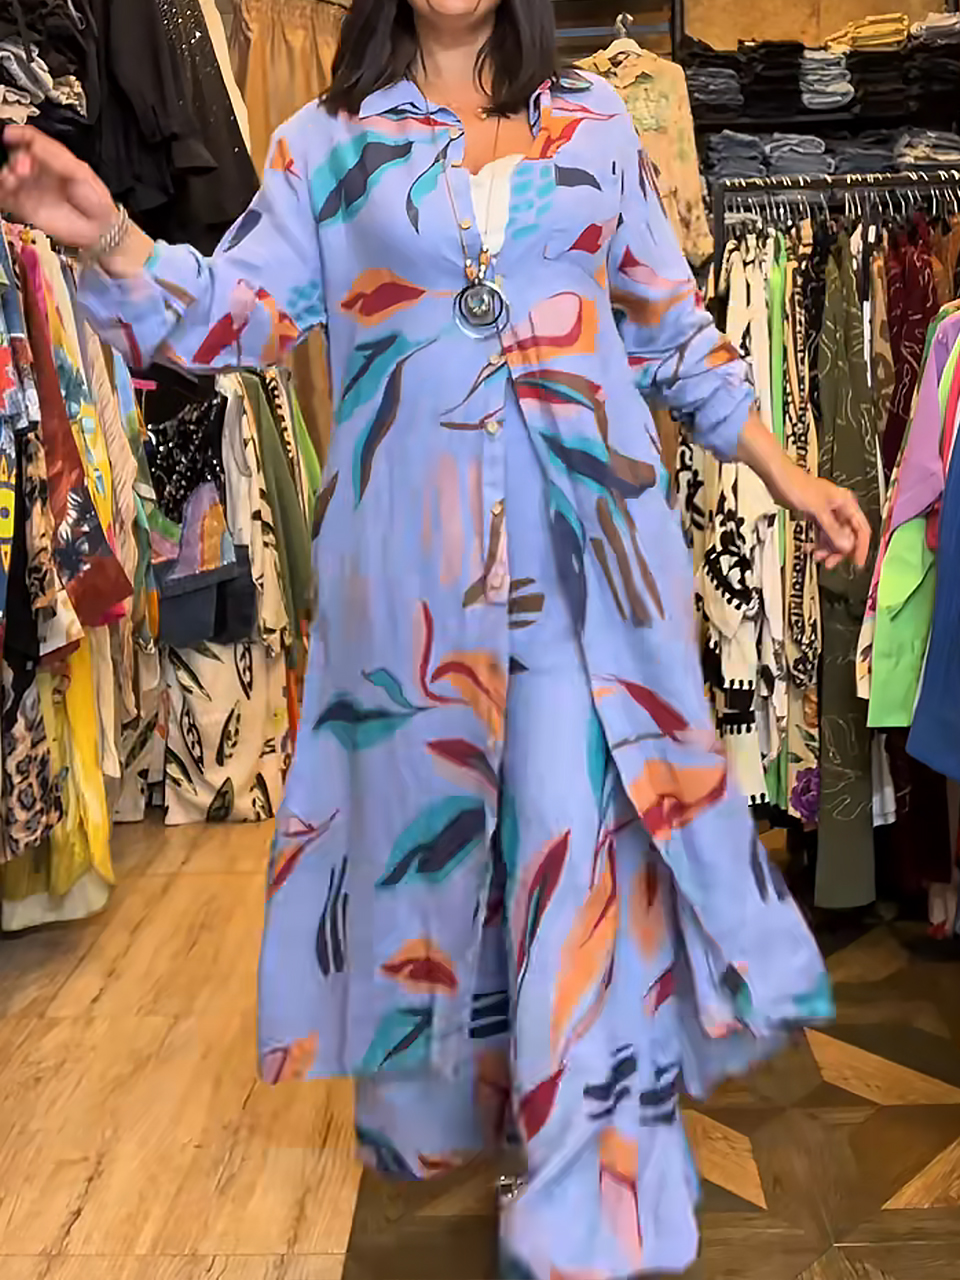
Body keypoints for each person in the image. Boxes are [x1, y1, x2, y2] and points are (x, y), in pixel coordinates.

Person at [0, 1, 871, 1276]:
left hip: (588, 574)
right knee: (442, 864)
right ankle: (489, 1104)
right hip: (411, 594)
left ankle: (590, 1200)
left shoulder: (597, 122)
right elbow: (238, 314)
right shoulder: (328, 140)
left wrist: (788, 472)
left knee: (579, 858)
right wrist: (112, 238)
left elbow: (671, 328)